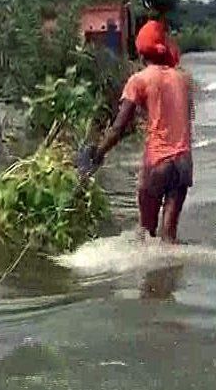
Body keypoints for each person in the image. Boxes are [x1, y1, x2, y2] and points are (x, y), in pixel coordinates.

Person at [79, 19, 194, 244]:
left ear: (141, 53)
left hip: (158, 162)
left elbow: (119, 127)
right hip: (184, 163)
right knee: (169, 238)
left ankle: (150, 279)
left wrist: (98, 153)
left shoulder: (139, 80)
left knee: (147, 234)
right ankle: (170, 277)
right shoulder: (182, 80)